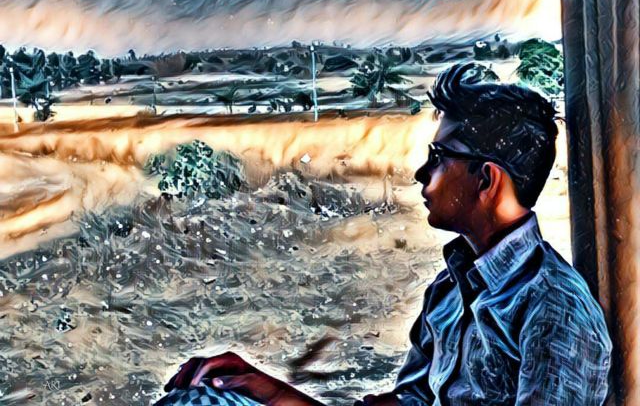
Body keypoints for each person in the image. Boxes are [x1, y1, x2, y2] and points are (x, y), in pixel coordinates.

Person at [158, 63, 612, 405]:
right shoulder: (451, 288)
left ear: (486, 179)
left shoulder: (555, 308)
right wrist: (271, 391)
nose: (422, 173)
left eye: (440, 157)